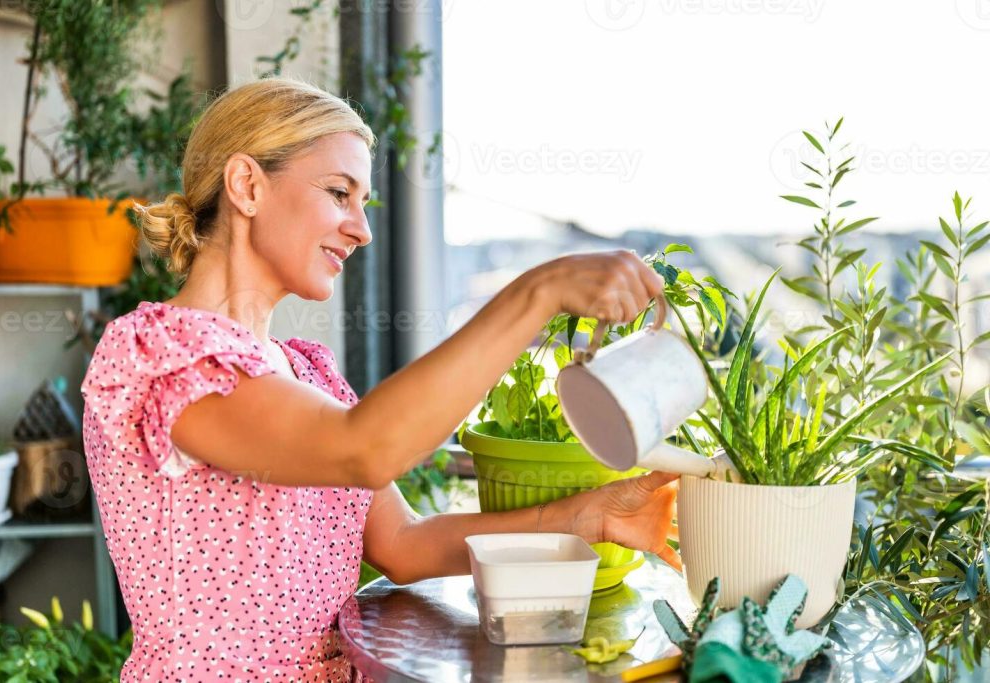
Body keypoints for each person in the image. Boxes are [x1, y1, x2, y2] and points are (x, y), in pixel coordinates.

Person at [81, 77, 678, 682]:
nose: (362, 230)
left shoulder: (305, 373)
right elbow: (365, 451)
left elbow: (404, 543)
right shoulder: (159, 356)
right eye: (339, 193)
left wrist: (590, 518)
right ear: (247, 185)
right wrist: (537, 292)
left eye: (362, 203)